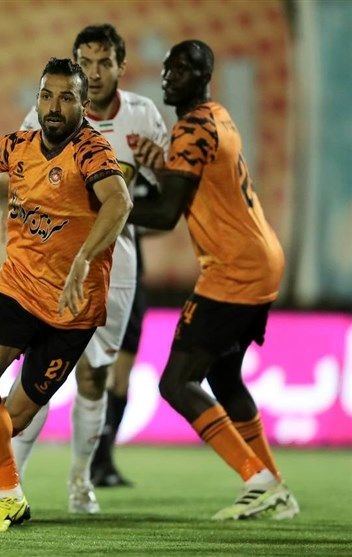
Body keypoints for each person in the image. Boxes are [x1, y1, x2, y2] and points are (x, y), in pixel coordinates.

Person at [0, 58, 132, 533]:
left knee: (14, 420)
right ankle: (11, 497)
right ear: (37, 100)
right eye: (47, 96)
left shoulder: (91, 150)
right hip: (18, 287)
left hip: (72, 307)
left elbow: (120, 200)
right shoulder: (17, 146)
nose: (54, 107)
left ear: (83, 105)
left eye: (67, 98)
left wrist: (84, 258)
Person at [0, 23, 167, 511]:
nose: (95, 72)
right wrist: (8, 212)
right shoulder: (44, 116)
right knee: (33, 372)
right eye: (86, 63)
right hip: (47, 264)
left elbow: (169, 195)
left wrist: (161, 166)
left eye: (105, 62)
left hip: (113, 264)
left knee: (93, 376)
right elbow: (10, 180)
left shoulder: (144, 117)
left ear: (121, 67)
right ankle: (10, 480)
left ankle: (81, 480)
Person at [127, 40, 298, 520]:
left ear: (204, 76)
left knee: (176, 382)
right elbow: (197, 182)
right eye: (167, 67)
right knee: (223, 375)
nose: (169, 75)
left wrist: (103, 208)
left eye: (183, 68)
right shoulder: (215, 117)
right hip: (259, 259)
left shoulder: (191, 128)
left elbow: (165, 214)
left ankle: (256, 480)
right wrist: (160, 164)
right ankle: (275, 487)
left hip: (233, 269)